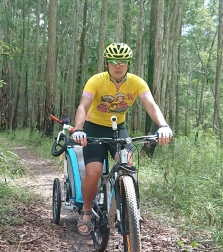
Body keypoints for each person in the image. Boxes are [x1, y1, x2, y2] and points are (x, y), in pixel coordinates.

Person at [71, 42, 173, 236]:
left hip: (118, 128)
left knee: (127, 165)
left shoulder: (136, 82)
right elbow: (83, 106)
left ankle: (132, 209)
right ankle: (85, 212)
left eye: (123, 61)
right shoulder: (96, 80)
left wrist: (163, 125)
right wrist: (79, 129)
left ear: (128, 64)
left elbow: (150, 104)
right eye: (113, 61)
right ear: (107, 63)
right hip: (94, 128)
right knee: (94, 171)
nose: (118, 65)